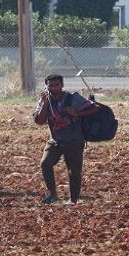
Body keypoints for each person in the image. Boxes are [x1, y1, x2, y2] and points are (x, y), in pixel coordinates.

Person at [32, 75, 99, 206]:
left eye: (56, 85)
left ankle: (73, 200)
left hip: (74, 140)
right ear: (46, 87)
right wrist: (45, 104)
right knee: (45, 163)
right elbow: (39, 121)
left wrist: (76, 113)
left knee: (74, 171)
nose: (53, 88)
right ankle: (52, 194)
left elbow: (95, 108)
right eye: (50, 86)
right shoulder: (45, 100)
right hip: (56, 140)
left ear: (62, 86)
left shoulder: (72, 98)